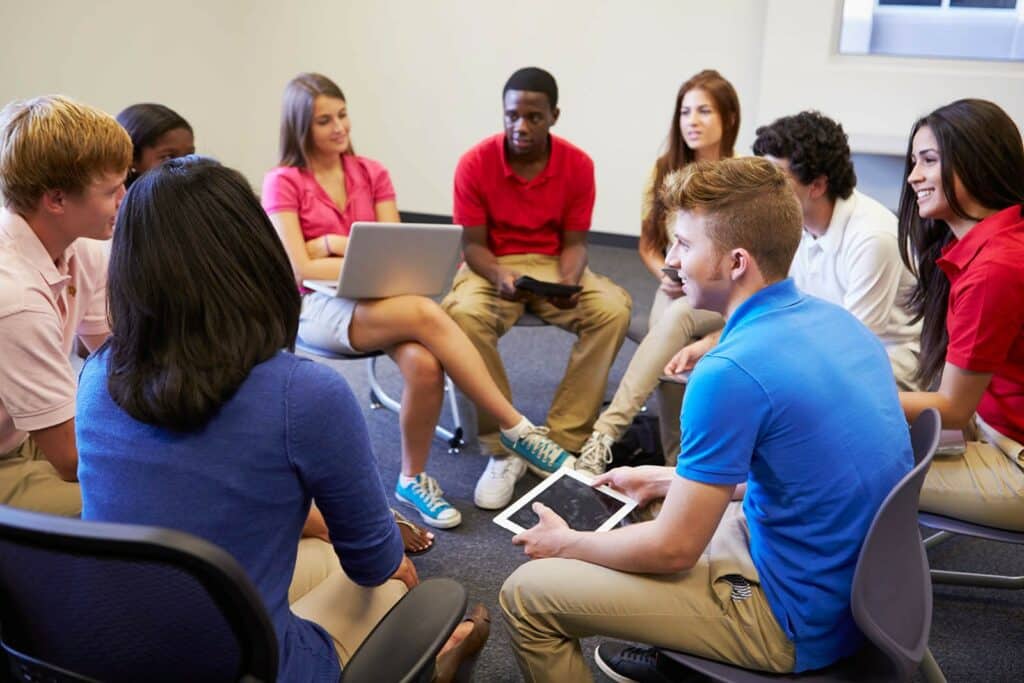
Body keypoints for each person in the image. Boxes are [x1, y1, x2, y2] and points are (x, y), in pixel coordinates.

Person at [77, 156, 490, 683]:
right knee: (392, 581)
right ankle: (429, 667)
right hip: (251, 667)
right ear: (254, 255)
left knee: (313, 548)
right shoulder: (305, 394)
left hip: (107, 655)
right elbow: (375, 561)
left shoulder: (96, 374)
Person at [500, 157, 912, 682]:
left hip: (793, 622)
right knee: (649, 504)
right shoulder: (835, 322)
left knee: (527, 596)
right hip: (860, 594)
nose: (671, 260)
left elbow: (673, 551)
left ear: (736, 262)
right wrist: (661, 477)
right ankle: (682, 659)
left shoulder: (726, 372)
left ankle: (703, 649)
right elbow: (804, 471)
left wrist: (566, 546)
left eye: (685, 245)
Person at [262, 73, 572, 529]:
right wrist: (334, 251)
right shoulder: (282, 182)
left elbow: (395, 250)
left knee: (425, 365)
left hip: (381, 295)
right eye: (324, 120)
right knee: (429, 312)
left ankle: (411, 479)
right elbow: (300, 270)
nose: (339, 127)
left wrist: (330, 243)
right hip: (316, 307)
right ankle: (516, 426)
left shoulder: (372, 172)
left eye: (342, 115)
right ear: (300, 127)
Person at [441, 66, 632, 508]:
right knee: (461, 316)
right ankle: (506, 446)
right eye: (512, 116)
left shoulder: (578, 165)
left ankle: (562, 439)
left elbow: (574, 244)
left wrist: (567, 282)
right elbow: (472, 245)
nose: (520, 127)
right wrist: (498, 276)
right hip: (489, 264)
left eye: (533, 117)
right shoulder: (475, 162)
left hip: (551, 265)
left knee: (613, 308)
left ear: (554, 116)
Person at [575, 69, 737, 475]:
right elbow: (649, 244)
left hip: (724, 295)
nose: (692, 121)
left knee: (669, 326)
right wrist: (665, 273)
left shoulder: (743, 178)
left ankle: (606, 434)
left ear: (728, 119)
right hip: (677, 286)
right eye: (685, 112)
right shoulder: (664, 170)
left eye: (704, 111)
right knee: (669, 338)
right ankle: (674, 462)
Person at [896, 99, 1024, 531]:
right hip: (993, 432)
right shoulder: (987, 248)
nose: (913, 176)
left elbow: (951, 408)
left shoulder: (995, 268)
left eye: (928, 161)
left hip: (1014, 457)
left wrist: (845, 402)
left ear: (977, 163)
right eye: (914, 162)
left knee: (843, 469)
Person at [0, 95, 131, 515]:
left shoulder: (80, 244)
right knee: (140, 503)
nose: (125, 197)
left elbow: (118, 359)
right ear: (56, 200)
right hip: (11, 456)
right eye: (111, 190)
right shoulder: (15, 297)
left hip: (26, 435)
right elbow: (72, 460)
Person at [116, 103, 195, 187]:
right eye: (168, 157)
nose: (185, 166)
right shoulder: (118, 198)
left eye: (190, 156)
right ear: (132, 158)